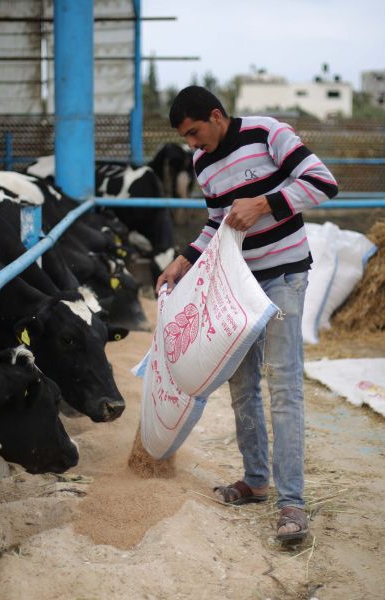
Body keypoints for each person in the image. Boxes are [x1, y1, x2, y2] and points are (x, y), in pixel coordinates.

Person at [156, 86, 338, 543]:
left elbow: (322, 182)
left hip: (284, 278)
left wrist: (264, 203)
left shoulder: (267, 133)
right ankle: (256, 481)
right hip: (237, 285)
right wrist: (183, 260)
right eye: (185, 137)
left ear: (217, 116)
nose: (192, 144)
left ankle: (292, 503)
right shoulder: (202, 163)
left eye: (195, 132)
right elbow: (217, 223)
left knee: (284, 386)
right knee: (241, 385)